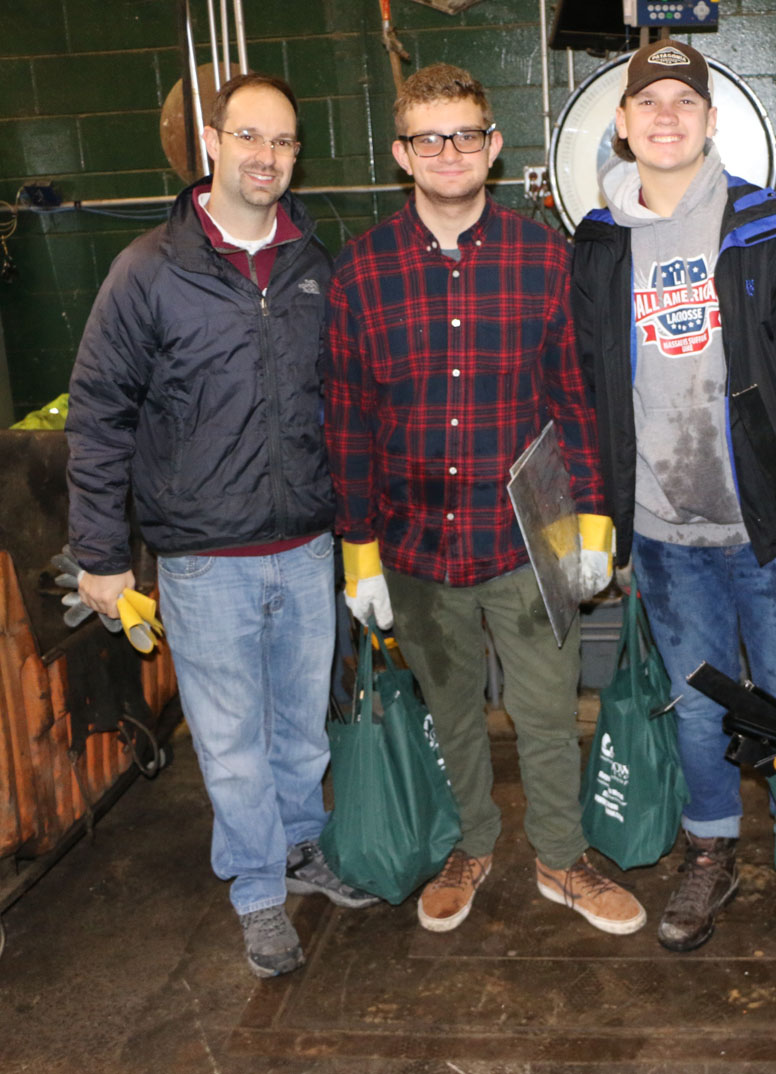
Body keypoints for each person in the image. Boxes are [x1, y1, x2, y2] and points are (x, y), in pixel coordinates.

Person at [65, 72, 377, 980]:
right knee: (234, 745)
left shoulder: (318, 261)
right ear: (211, 141)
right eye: (249, 137)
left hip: (306, 544)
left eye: (282, 142)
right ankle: (257, 893)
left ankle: (301, 849)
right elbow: (99, 411)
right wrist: (98, 552)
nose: (265, 158)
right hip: (204, 560)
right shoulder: (150, 270)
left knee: (302, 733)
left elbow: (349, 403)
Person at [324, 63, 645, 937]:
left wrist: (591, 523)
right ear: (401, 154)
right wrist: (358, 553)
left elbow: (576, 400)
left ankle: (560, 853)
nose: (449, 151)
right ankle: (472, 841)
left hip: (527, 540)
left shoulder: (546, 259)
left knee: (547, 710)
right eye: (429, 137)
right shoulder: (360, 274)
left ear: (494, 146)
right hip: (416, 549)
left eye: (466, 133)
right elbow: (348, 424)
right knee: (453, 712)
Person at [571, 40, 776, 955]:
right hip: (662, 536)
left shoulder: (771, 233)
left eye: (684, 101)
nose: (666, 115)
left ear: (710, 120)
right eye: (647, 101)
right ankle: (711, 852)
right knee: (700, 708)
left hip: (769, 532)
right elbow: (583, 387)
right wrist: (594, 518)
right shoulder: (599, 244)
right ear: (622, 124)